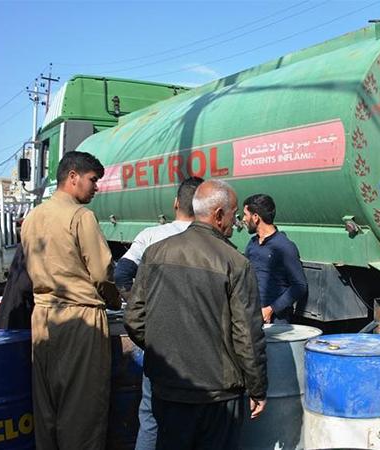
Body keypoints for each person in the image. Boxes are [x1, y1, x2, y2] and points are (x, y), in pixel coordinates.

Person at [125, 179, 267, 450]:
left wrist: (161, 350)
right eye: (233, 214)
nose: (235, 222)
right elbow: (247, 335)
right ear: (218, 215)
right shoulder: (236, 263)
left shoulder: (155, 253)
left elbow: (134, 318)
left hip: (168, 386)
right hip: (218, 394)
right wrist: (257, 387)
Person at [21, 151, 121, 450]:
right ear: (73, 177)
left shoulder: (33, 217)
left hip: (43, 317)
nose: (96, 187)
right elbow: (102, 273)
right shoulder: (81, 216)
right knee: (82, 411)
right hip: (81, 320)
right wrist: (115, 301)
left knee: (47, 407)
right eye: (93, 180)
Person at [113, 176, 203, 450]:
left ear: (176, 203)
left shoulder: (151, 236)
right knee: (197, 420)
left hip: (160, 342)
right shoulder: (214, 242)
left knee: (151, 417)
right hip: (200, 347)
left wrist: (143, 311)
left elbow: (122, 274)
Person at [242, 194, 308, 324]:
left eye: (245, 214)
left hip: (276, 323)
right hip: (252, 319)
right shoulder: (252, 244)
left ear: (255, 217)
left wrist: (271, 309)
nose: (243, 219)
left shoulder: (284, 247)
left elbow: (300, 285)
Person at [0, 245, 34, 329]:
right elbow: (25, 285)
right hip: (19, 322)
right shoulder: (29, 251)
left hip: (11, 319)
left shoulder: (25, 249)